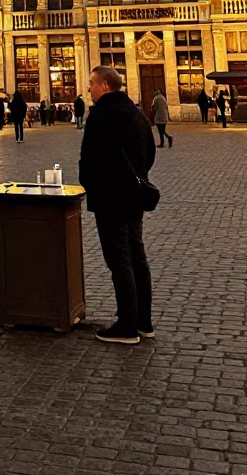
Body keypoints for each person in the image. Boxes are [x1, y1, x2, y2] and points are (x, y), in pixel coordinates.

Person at [79, 65, 156, 345]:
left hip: (109, 198)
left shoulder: (100, 115)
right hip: (134, 196)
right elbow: (149, 153)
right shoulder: (137, 113)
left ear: (105, 86)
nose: (89, 88)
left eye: (92, 83)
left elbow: (88, 159)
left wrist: (90, 184)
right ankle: (144, 322)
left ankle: (126, 326)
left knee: (119, 260)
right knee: (137, 256)